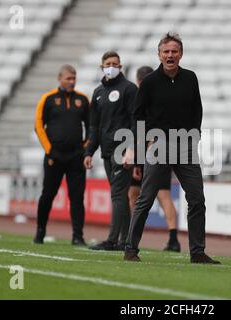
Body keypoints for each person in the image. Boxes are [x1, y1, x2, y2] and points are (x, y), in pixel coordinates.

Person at [123, 33, 221, 264]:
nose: (170, 55)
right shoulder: (148, 83)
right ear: (159, 55)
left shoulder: (190, 78)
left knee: (197, 198)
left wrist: (194, 136)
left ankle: (197, 252)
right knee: (145, 198)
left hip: (186, 144)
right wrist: (143, 145)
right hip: (158, 145)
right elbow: (137, 116)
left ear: (181, 54)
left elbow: (197, 109)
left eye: (174, 51)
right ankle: (130, 248)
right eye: (166, 51)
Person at [84, 51, 137, 251]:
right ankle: (126, 240)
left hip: (123, 150)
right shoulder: (98, 93)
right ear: (102, 67)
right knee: (120, 196)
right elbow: (94, 127)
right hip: (106, 151)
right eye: (108, 63)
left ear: (121, 67)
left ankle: (113, 240)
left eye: (115, 63)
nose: (111, 67)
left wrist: (131, 149)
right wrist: (89, 151)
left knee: (117, 194)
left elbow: (135, 121)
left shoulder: (129, 89)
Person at [33, 64, 90, 246]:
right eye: (68, 78)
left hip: (75, 157)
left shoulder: (83, 99)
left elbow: (91, 127)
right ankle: (40, 231)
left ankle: (78, 236)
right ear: (60, 79)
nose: (72, 82)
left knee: (77, 198)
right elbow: (38, 125)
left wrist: (84, 148)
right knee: (48, 195)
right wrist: (49, 150)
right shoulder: (47, 99)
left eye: (74, 78)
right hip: (54, 156)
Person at [128, 65, 181, 252]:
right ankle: (173, 238)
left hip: (150, 151)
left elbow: (139, 130)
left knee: (136, 194)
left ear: (138, 81)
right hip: (165, 146)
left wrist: (136, 159)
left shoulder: (141, 98)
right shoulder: (164, 96)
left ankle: (132, 236)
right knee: (163, 195)